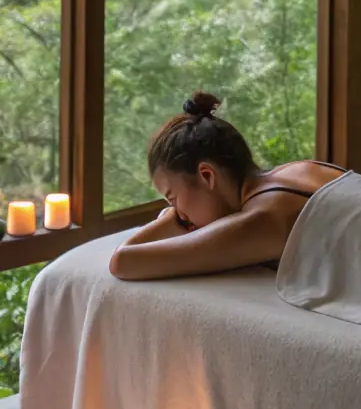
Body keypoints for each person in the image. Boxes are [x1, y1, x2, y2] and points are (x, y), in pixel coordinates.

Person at [109, 92, 344, 280]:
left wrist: (170, 220)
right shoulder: (305, 169)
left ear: (207, 176)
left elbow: (123, 262)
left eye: (174, 199)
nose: (182, 215)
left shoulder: (264, 218)